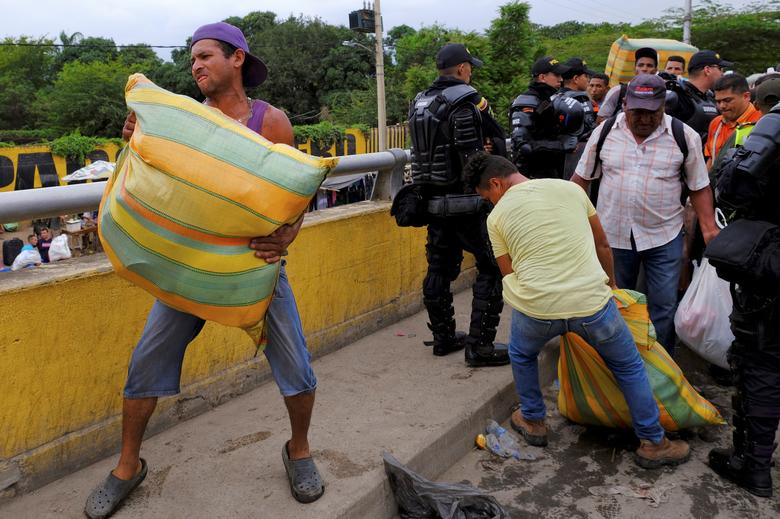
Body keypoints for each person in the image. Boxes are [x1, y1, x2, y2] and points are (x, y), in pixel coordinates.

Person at [84, 22, 323, 519]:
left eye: (206, 55)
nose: (196, 66)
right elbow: (154, 179)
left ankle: (299, 451)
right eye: (192, 58)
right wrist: (135, 136)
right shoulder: (180, 120)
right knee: (146, 364)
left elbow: (295, 194)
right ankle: (128, 465)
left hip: (255, 268)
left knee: (297, 367)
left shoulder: (272, 122)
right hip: (188, 269)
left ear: (237, 59)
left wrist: (287, 236)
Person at [463, 151, 690, 468]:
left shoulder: (496, 218)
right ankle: (654, 442)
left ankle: (533, 421)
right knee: (628, 367)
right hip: (591, 305)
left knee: (522, 353)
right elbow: (602, 246)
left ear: (496, 184)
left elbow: (509, 272)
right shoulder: (571, 189)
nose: (490, 203)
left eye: (488, 196)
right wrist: (610, 287)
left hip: (536, 309)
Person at [572, 74, 719, 355]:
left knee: (663, 305)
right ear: (625, 104)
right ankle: (621, 363)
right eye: (637, 111)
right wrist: (570, 222)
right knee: (616, 302)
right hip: (612, 237)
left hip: (664, 236)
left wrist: (709, 228)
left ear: (663, 105)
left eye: (652, 112)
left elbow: (699, 186)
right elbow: (581, 180)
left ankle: (660, 365)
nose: (644, 119)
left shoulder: (682, 136)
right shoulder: (604, 133)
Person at [401, 43, 510, 367]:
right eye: (470, 67)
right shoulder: (465, 100)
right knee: (491, 268)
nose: (471, 72)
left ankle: (443, 337)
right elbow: (472, 159)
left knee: (438, 269)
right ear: (462, 69)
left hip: (432, 203)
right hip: (466, 204)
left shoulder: (420, 102)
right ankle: (479, 347)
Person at [706, 100, 780, 498]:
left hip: (770, 267)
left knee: (760, 363)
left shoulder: (774, 124)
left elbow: (734, 187)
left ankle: (752, 467)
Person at [509, 56, 586, 179]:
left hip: (553, 171)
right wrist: (561, 145)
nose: (561, 79)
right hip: (531, 175)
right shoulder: (527, 101)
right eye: (556, 75)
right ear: (542, 77)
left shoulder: (550, 98)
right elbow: (522, 146)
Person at [666, 50, 729, 143]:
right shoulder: (678, 96)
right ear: (707, 70)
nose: (722, 73)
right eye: (720, 68)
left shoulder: (711, 97)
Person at [705, 74, 760, 168]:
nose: (721, 106)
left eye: (727, 100)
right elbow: (711, 159)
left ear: (746, 96)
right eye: (718, 101)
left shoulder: (761, 121)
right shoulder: (716, 123)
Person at [555, 58, 597, 178]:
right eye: (585, 76)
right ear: (576, 79)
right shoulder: (580, 99)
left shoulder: (554, 96)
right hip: (577, 155)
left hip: (558, 154)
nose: (588, 80)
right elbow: (590, 129)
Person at [597, 47, 658, 121]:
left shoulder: (659, 92)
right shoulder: (618, 91)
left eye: (649, 66)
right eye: (640, 65)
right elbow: (600, 119)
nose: (644, 69)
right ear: (635, 69)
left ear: (655, 70)